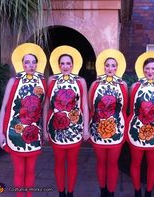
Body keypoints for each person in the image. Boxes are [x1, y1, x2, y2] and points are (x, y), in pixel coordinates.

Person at [0, 43, 47, 197]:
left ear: (37, 64)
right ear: (22, 64)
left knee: (31, 170)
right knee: (19, 171)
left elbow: (44, 107)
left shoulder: (42, 82)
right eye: (27, 62)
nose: (30, 65)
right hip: (15, 132)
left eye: (33, 62)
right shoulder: (14, 81)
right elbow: (4, 108)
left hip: (33, 133)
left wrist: (44, 130)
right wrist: (0, 132)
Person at [43, 45, 89, 197]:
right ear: (58, 65)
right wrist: (44, 129)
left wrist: (86, 129)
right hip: (56, 128)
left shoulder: (80, 81)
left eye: (68, 63)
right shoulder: (52, 80)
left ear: (73, 65)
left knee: (73, 162)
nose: (65, 66)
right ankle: (61, 192)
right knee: (59, 162)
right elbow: (46, 105)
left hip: (75, 128)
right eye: (62, 63)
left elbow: (85, 106)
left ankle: (71, 192)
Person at [127, 51, 154, 197]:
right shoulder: (135, 87)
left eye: (153, 69)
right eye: (147, 68)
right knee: (136, 163)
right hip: (136, 131)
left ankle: (149, 192)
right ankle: (137, 191)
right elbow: (130, 110)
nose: (150, 71)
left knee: (152, 164)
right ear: (142, 69)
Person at [89, 49, 128, 197]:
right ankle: (102, 191)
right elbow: (91, 107)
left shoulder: (123, 84)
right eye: (107, 65)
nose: (110, 68)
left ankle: (111, 192)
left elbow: (124, 108)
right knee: (100, 163)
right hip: (98, 130)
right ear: (103, 67)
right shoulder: (95, 85)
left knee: (112, 164)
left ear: (117, 68)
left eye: (113, 66)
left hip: (116, 131)